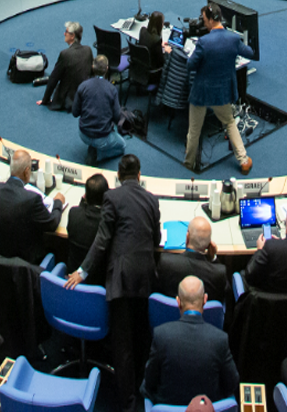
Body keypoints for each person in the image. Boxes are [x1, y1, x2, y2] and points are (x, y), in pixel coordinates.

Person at [67, 155, 161, 407]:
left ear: (118, 176)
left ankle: (127, 402)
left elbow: (102, 239)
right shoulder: (152, 199)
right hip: (144, 275)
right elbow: (156, 238)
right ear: (139, 175)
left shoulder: (112, 197)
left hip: (120, 276)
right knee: (142, 336)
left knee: (122, 345)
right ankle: (143, 393)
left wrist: (82, 271)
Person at [141, 276, 240, 406]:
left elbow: (149, 384)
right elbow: (232, 384)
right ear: (205, 299)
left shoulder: (161, 335)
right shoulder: (220, 339)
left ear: (178, 301)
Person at [184, 4, 257, 173]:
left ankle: (188, 164)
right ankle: (244, 160)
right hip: (222, 92)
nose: (203, 23)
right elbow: (250, 53)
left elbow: (190, 65)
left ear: (211, 20)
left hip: (201, 92)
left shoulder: (203, 42)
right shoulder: (232, 39)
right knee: (230, 124)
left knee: (194, 130)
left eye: (204, 20)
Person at [0, 149, 67, 265]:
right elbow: (52, 224)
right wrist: (58, 203)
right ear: (26, 171)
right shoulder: (32, 199)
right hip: (25, 261)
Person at [156, 217, 230, 306]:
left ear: (187, 238)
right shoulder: (219, 273)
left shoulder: (165, 262)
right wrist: (213, 258)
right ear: (209, 244)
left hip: (167, 317)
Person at [73, 55, 126, 163]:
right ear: (107, 69)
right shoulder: (112, 89)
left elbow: (75, 112)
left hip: (83, 134)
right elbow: (117, 117)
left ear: (92, 67)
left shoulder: (83, 86)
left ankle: (93, 147)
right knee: (122, 146)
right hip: (102, 137)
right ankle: (98, 155)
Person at [39, 21, 93, 111]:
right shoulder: (88, 50)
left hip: (70, 99)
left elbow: (54, 78)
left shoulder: (65, 54)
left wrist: (45, 100)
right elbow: (91, 72)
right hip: (85, 95)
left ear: (72, 36)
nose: (64, 34)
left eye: (66, 32)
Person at [65, 173, 108, 281]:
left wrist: (83, 202)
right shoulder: (107, 223)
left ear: (85, 196)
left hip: (71, 279)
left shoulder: (73, 213)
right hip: (100, 282)